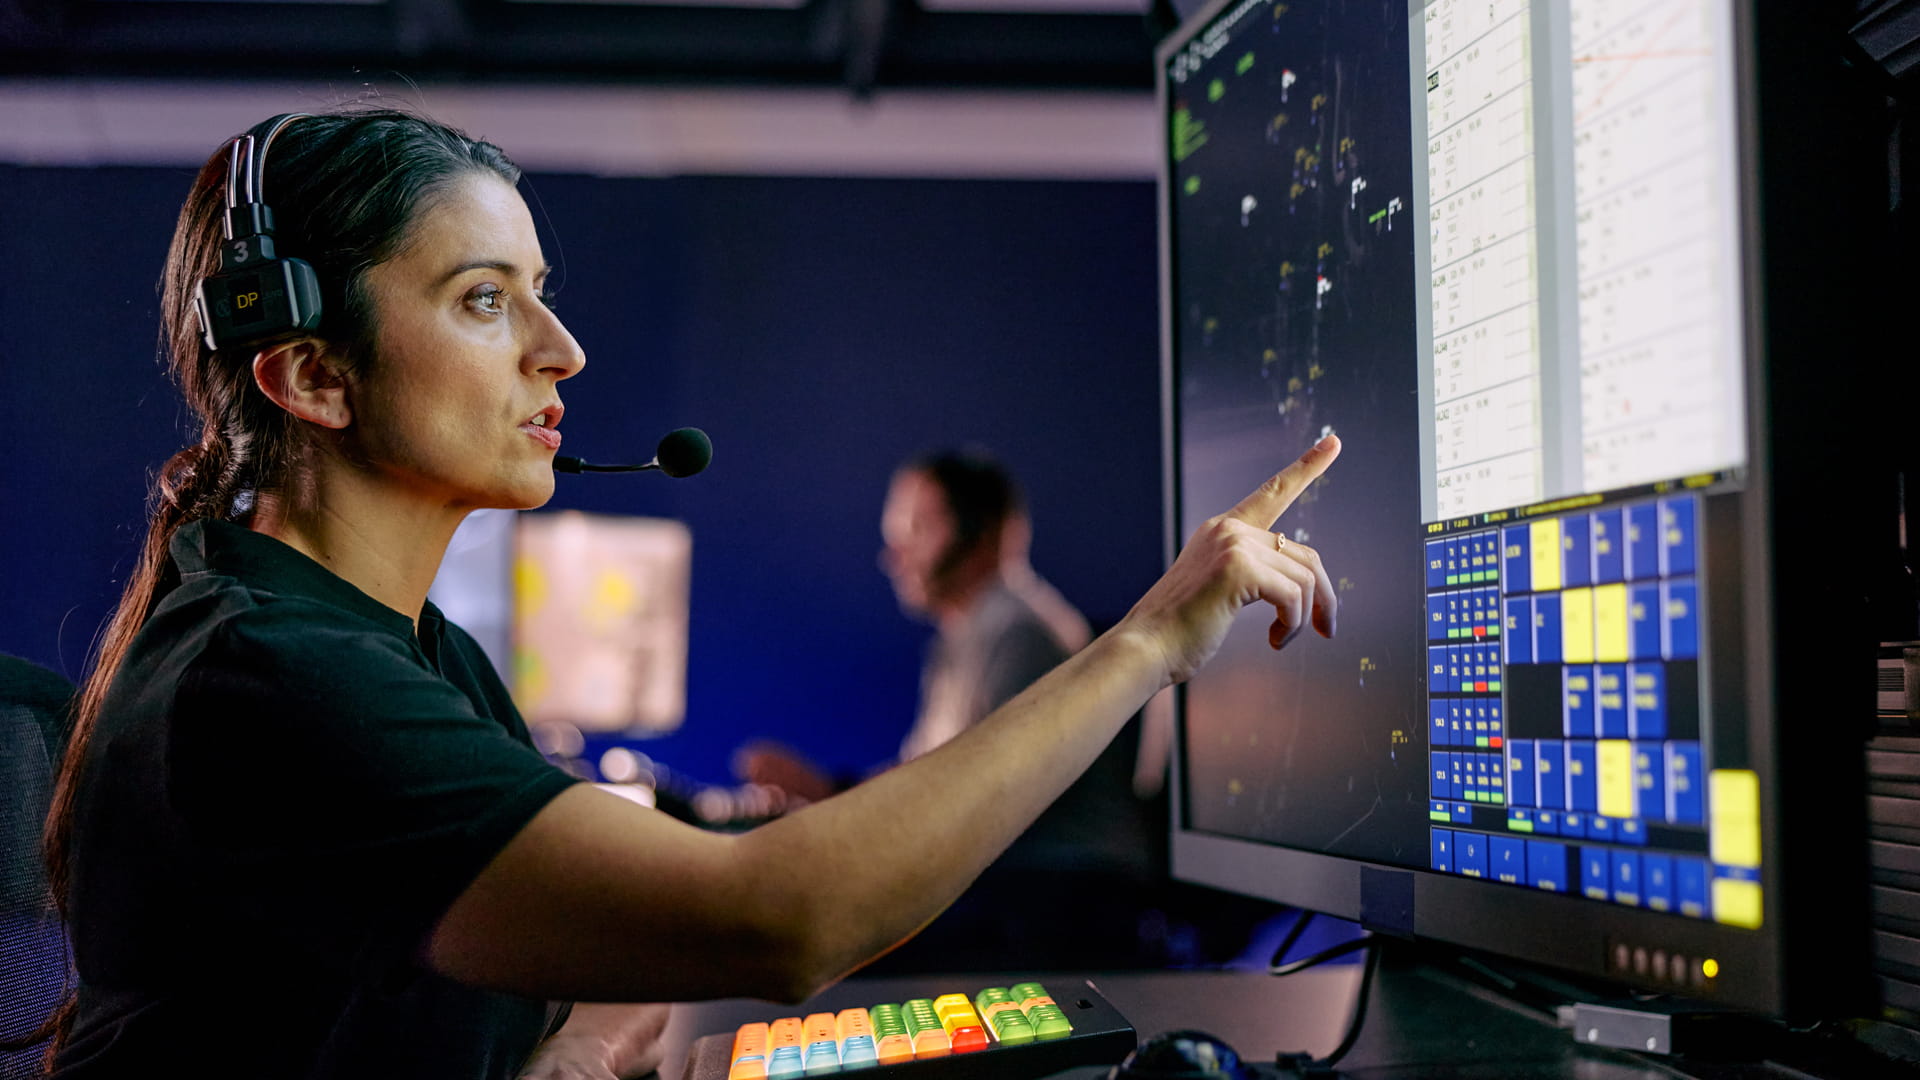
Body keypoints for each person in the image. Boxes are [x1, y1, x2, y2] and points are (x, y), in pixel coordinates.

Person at [31, 108, 1344, 1078]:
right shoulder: (275, 677)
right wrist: (1151, 638)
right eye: (487, 302)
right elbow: (782, 923)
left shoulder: (394, 645)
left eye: (542, 294)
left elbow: (566, 1003)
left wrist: (585, 1039)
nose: (565, 351)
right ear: (314, 377)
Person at [738, 449, 1091, 803]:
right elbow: (929, 774)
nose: (894, 555)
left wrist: (829, 798)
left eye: (917, 529)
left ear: (983, 534)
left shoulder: (1018, 634)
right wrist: (828, 793)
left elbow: (968, 795)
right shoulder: (965, 637)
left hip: (1051, 859)